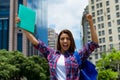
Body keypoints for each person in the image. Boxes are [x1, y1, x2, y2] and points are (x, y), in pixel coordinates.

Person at [16, 14, 99, 80]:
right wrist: (22, 27)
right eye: (62, 39)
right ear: (59, 41)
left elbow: (94, 43)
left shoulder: (77, 56)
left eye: (68, 39)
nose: (65, 41)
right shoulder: (52, 54)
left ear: (71, 41)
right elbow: (36, 42)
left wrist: (91, 22)